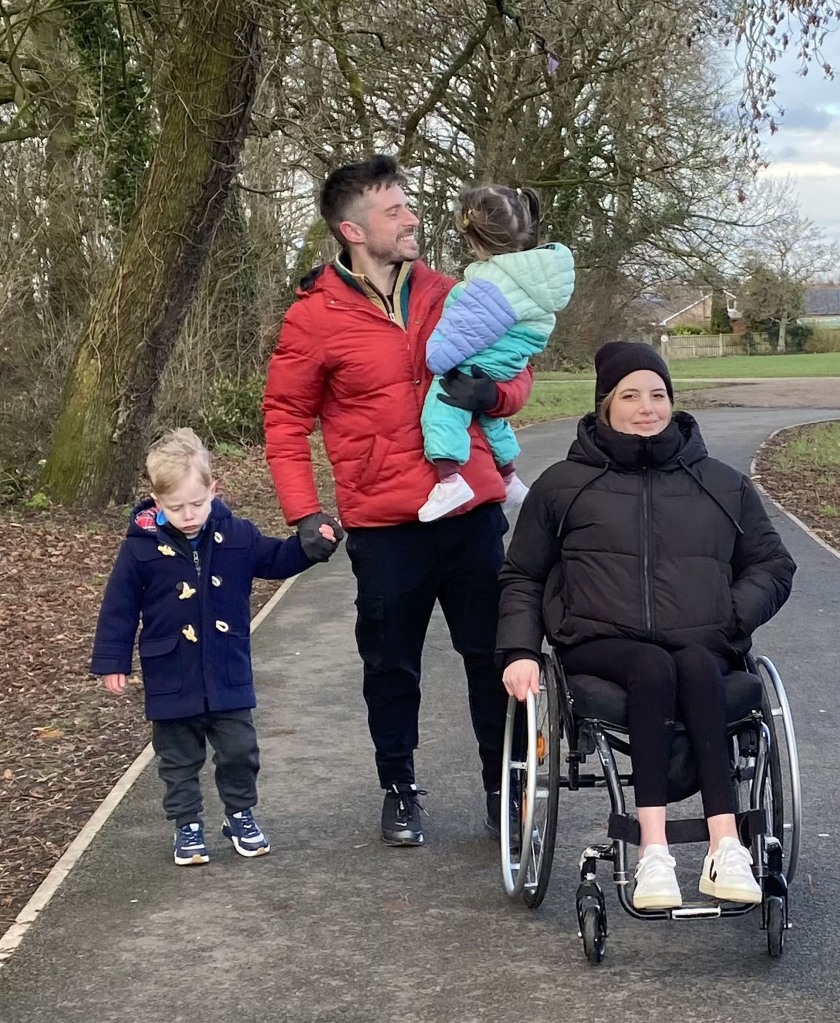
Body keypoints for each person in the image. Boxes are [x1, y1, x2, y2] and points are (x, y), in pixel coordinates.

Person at [263, 155, 533, 847]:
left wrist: (493, 397)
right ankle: (399, 788)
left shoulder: (451, 290)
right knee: (390, 665)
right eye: (394, 210)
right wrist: (304, 511)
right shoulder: (312, 317)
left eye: (408, 205)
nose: (411, 217)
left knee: (492, 658)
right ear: (352, 229)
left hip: (470, 511)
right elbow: (285, 419)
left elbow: (514, 371)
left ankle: (502, 793)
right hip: (386, 527)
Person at [496, 341, 796, 909]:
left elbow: (772, 564)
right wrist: (518, 651)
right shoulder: (563, 485)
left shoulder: (721, 482)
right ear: (605, 405)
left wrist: (732, 615)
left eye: (657, 394)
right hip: (600, 645)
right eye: (630, 395)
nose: (646, 407)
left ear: (672, 401)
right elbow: (522, 576)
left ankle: (724, 846)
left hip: (702, 642)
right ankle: (653, 853)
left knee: (694, 663)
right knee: (655, 665)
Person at [91, 428, 340, 866]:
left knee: (240, 750)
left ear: (213, 490)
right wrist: (113, 661)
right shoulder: (139, 549)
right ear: (155, 500)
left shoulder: (237, 535)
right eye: (175, 507)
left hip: (228, 670)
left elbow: (277, 560)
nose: (188, 515)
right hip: (171, 673)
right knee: (178, 758)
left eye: (197, 503)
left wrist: (312, 547)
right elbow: (119, 607)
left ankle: (240, 813)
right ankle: (187, 824)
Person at [417, 185, 575, 522]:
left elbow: (458, 337)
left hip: (483, 359)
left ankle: (449, 479)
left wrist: (436, 357)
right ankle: (509, 477)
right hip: (512, 357)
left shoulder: (490, 283)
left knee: (441, 407)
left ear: (477, 240)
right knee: (489, 417)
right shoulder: (536, 274)